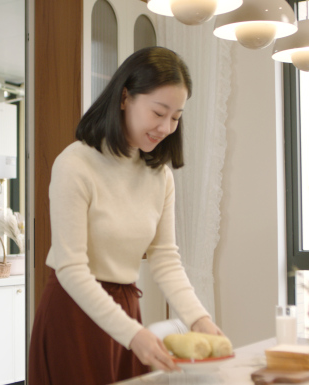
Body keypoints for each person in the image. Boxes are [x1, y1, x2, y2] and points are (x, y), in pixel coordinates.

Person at [28, 46, 223, 385]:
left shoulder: (159, 175)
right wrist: (134, 334)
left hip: (125, 309)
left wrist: (199, 319)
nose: (166, 127)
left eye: (176, 117)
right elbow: (72, 269)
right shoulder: (75, 164)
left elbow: (164, 258)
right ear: (124, 98)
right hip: (74, 313)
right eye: (158, 112)